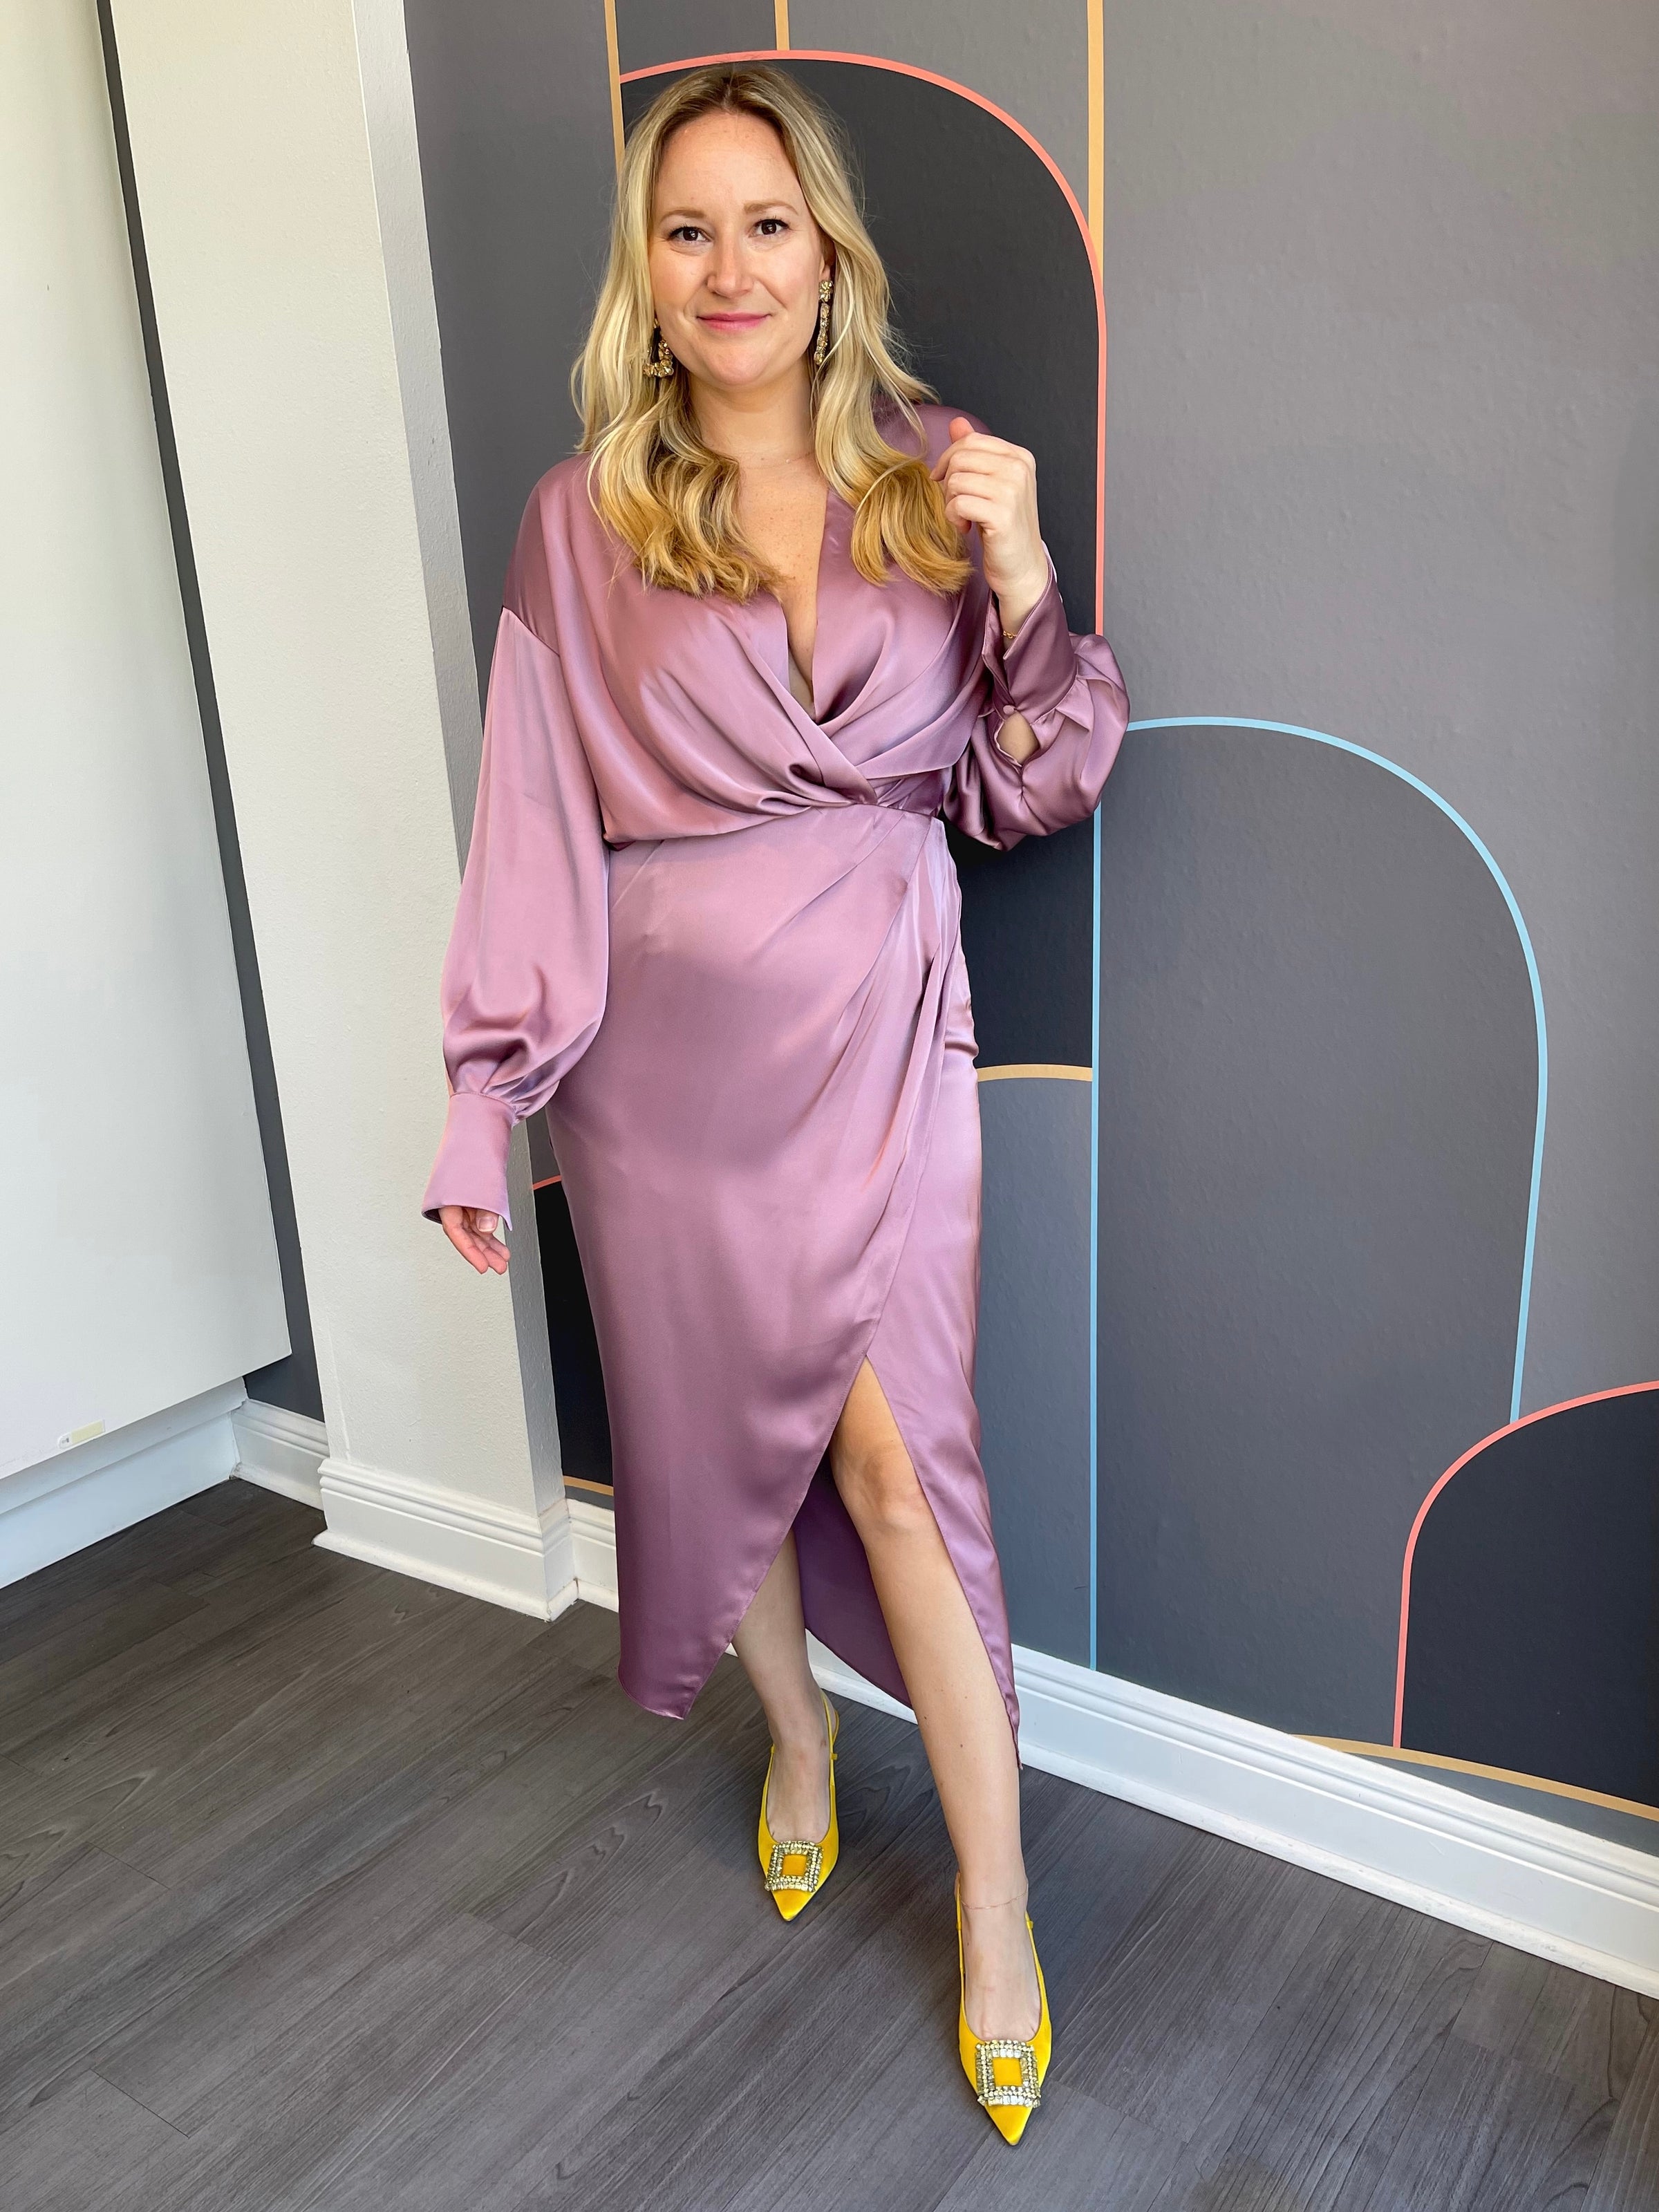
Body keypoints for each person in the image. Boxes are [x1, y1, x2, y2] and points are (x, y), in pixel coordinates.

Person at [422, 62, 1128, 2145]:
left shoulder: (935, 482)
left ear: (829, 260)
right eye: (687, 229)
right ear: (645, 273)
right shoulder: (581, 519)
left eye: (766, 225)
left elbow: (1030, 787)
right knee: (709, 1433)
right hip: (658, 1076)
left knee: (910, 1476)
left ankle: (998, 1913)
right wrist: (482, 1101)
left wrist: (1025, 581)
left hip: (884, 1034)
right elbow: (528, 829)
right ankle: (800, 1745)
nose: (728, 267)